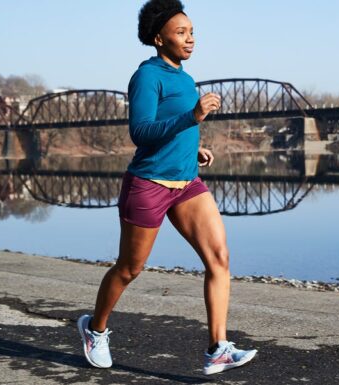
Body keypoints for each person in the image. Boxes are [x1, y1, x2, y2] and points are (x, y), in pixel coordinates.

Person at [76, 0, 256, 375]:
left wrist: (194, 144)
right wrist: (193, 116)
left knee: (219, 259)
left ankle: (217, 348)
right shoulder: (146, 76)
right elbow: (140, 132)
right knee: (130, 268)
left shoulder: (185, 77)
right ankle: (95, 329)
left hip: (186, 183)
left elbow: (175, 126)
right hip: (148, 184)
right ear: (159, 38)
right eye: (181, 32)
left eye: (192, 32)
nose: (190, 39)